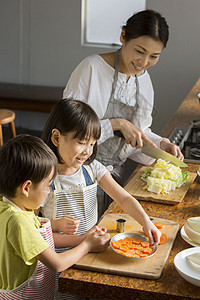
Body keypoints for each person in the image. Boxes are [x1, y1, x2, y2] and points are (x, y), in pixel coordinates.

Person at [63, 9, 184, 217]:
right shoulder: (91, 68)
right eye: (139, 51)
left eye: (154, 56)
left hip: (117, 179)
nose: (144, 63)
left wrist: (161, 144)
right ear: (122, 36)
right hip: (78, 177)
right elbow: (68, 130)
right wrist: (116, 123)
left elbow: (137, 133)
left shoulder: (144, 81)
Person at [0, 134, 110, 300]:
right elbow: (57, 263)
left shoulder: (9, 207)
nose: (48, 192)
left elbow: (39, 243)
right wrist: (87, 245)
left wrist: (82, 238)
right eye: (47, 186)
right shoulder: (18, 222)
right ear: (27, 188)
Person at [41, 99, 161, 244]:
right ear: (56, 138)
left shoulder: (92, 168)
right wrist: (76, 238)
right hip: (59, 258)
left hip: (90, 251)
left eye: (92, 144)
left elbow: (124, 199)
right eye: (81, 143)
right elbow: (34, 231)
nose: (87, 151)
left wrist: (145, 221)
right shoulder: (42, 177)